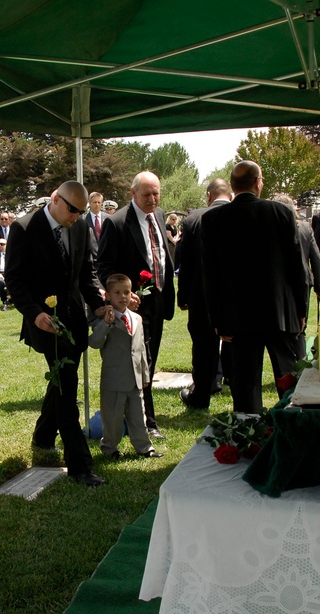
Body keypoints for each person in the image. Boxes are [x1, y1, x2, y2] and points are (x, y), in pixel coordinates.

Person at [5, 180, 108, 487]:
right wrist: (35, 313)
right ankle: (80, 466)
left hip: (74, 320)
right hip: (45, 322)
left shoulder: (79, 228)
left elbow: (86, 275)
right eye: (73, 211)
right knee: (67, 387)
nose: (76, 217)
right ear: (55, 199)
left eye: (81, 212)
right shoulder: (24, 228)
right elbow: (15, 279)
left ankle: (43, 434)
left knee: (62, 377)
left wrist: (100, 304)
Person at [199, 161, 307, 412]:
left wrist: (217, 319)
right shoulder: (281, 213)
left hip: (238, 316)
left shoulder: (214, 219)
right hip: (278, 312)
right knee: (287, 378)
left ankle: (248, 433)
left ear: (233, 185)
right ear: (258, 183)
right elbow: (297, 267)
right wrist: (300, 310)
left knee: (245, 383)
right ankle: (290, 423)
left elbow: (210, 275)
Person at [98, 171, 175, 440]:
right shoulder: (117, 222)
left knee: (149, 362)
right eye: (147, 195)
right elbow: (104, 266)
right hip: (132, 306)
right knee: (141, 363)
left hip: (159, 300)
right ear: (132, 194)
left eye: (156, 193)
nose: (153, 199)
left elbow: (162, 256)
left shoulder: (160, 215)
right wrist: (122, 295)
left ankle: (142, 417)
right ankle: (146, 421)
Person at [88, 273, 162, 459]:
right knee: (112, 418)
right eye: (117, 293)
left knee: (139, 416)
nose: (123, 297)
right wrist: (106, 324)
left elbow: (141, 350)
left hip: (135, 379)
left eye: (127, 292)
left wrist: (145, 374)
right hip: (114, 380)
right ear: (107, 296)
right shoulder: (104, 320)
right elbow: (95, 342)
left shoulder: (136, 319)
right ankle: (110, 447)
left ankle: (144, 447)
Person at [176, 178, 231, 410]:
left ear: (209, 196)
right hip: (234, 296)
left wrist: (184, 296)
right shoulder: (243, 215)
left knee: (203, 346)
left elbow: (184, 263)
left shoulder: (193, 219)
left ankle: (202, 394)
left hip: (202, 295)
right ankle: (238, 390)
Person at [275, 193, 320, 359]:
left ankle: (289, 365)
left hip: (280, 284)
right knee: (300, 324)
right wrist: (319, 285)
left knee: (282, 326)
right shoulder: (305, 228)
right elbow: (316, 258)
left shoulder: (274, 229)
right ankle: (301, 360)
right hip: (303, 282)